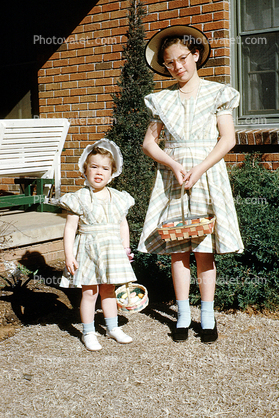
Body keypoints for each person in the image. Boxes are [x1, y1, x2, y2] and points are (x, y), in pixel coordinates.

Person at [138, 25, 244, 343]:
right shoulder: (163, 100)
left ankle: (208, 316)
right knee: (177, 248)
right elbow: (149, 144)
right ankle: (183, 315)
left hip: (207, 175)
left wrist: (200, 168)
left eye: (182, 58)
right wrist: (173, 163)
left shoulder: (217, 93)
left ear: (195, 55)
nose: (178, 66)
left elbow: (228, 139)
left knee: (204, 249)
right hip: (174, 179)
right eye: (170, 63)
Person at [59, 138, 136, 351]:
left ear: (112, 173)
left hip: (111, 249)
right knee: (89, 292)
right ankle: (89, 332)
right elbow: (69, 229)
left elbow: (123, 224)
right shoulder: (79, 198)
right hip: (88, 249)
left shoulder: (118, 198)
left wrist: (125, 247)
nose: (99, 172)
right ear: (85, 170)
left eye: (105, 168)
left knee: (108, 289)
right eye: (94, 167)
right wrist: (68, 255)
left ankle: (112, 328)